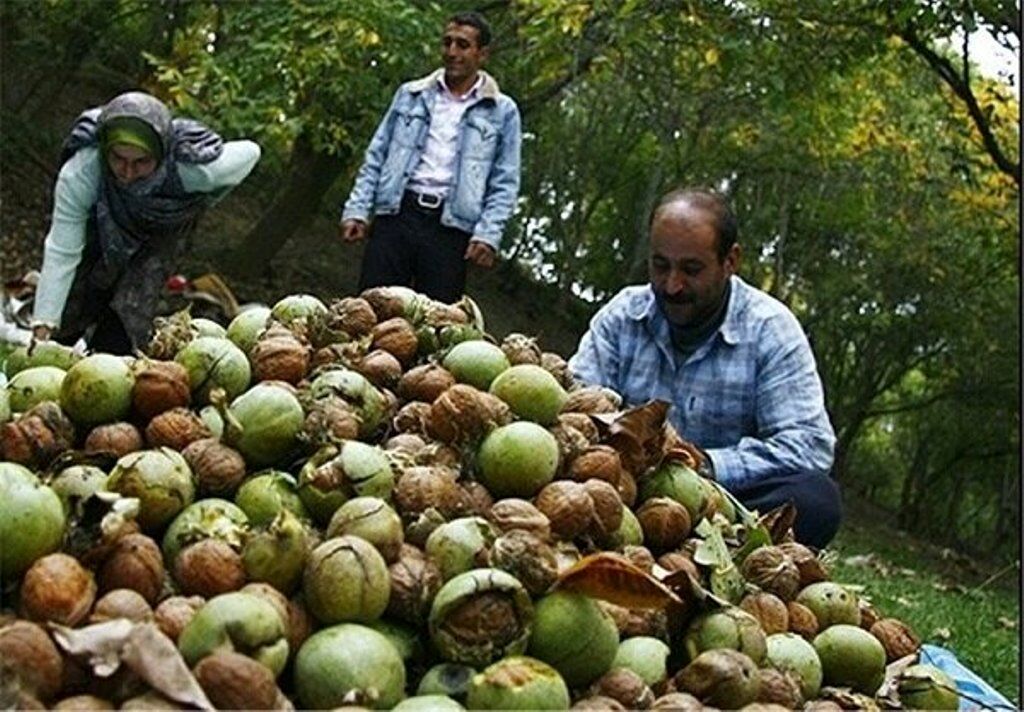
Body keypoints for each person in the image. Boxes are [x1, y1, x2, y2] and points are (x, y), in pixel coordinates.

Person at [568, 188, 841, 548]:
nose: (672, 285)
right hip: (626, 489)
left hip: (723, 501)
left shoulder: (770, 329)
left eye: (691, 269)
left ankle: (720, 546)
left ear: (730, 261)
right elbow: (577, 400)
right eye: (660, 265)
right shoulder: (623, 316)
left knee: (816, 499)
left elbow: (809, 444)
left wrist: (708, 465)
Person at [30, 91, 261, 354]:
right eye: (118, 159)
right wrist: (43, 324)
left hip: (161, 234)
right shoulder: (83, 171)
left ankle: (109, 361)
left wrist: (209, 188)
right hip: (102, 226)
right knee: (78, 299)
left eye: (141, 162)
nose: (128, 173)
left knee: (126, 318)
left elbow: (251, 151)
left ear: (161, 152)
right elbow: (62, 248)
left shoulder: (194, 172)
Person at [339, 11, 521, 304]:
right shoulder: (411, 94)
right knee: (370, 309)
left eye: (463, 45)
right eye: (447, 42)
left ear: (482, 54)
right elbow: (377, 154)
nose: (452, 52)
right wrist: (357, 208)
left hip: (451, 231)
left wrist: (488, 234)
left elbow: (505, 181)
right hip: (398, 214)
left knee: (436, 324)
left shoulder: (502, 111)